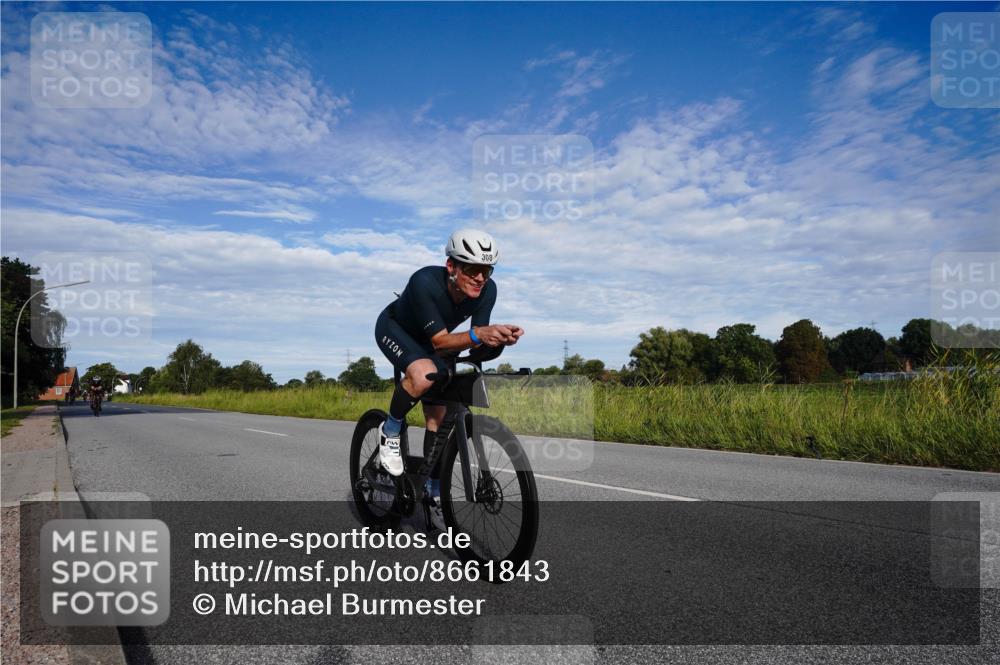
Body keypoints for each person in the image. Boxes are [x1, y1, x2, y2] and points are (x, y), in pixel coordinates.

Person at [373, 229, 523, 525]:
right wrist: (478, 334)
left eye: (487, 270)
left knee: (438, 417)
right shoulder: (424, 282)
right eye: (472, 269)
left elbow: (474, 342)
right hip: (397, 329)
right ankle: (390, 432)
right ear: (451, 267)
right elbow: (442, 342)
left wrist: (497, 342)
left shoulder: (487, 291)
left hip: (433, 342)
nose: (481, 278)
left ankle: (432, 493)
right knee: (421, 375)